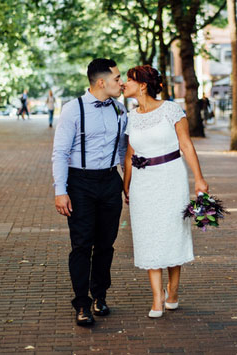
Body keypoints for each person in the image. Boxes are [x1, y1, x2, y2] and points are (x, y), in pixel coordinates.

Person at [122, 65, 209, 318]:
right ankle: (157, 297)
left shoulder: (171, 109)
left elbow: (186, 145)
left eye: (129, 79)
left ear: (143, 85)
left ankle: (173, 291)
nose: (125, 83)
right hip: (142, 182)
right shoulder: (132, 115)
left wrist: (199, 179)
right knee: (148, 235)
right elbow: (130, 155)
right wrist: (126, 185)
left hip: (171, 177)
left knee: (171, 232)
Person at [51, 58, 127, 327]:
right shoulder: (73, 109)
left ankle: (100, 295)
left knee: (106, 243)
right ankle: (82, 303)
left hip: (109, 182)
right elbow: (60, 152)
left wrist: (126, 183)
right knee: (82, 244)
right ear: (101, 82)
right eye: (118, 78)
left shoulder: (120, 109)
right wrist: (61, 191)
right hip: (80, 182)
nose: (122, 82)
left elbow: (122, 151)